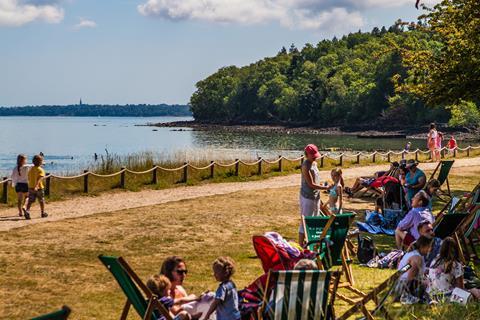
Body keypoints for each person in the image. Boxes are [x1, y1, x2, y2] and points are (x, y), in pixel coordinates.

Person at [299, 144, 328, 245]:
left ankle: (312, 242)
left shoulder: (314, 163)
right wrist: (325, 188)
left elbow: (315, 180)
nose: (315, 157)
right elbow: (311, 184)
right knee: (306, 221)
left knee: (316, 219)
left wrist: (321, 185)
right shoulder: (305, 166)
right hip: (307, 196)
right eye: (313, 155)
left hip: (316, 195)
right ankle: (301, 245)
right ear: (307, 154)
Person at [396, 236, 433, 304]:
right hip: (403, 287)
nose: (430, 249)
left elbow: (403, 270)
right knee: (429, 283)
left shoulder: (413, 253)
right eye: (429, 247)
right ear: (423, 246)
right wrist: (424, 282)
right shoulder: (417, 258)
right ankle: (407, 297)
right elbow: (410, 278)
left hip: (398, 283)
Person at [24, 154, 47, 220]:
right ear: (40, 162)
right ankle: (42, 213)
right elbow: (40, 178)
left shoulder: (31, 170)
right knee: (41, 200)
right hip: (39, 188)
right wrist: (37, 185)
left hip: (31, 187)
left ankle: (27, 211)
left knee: (30, 201)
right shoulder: (41, 170)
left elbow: (28, 178)